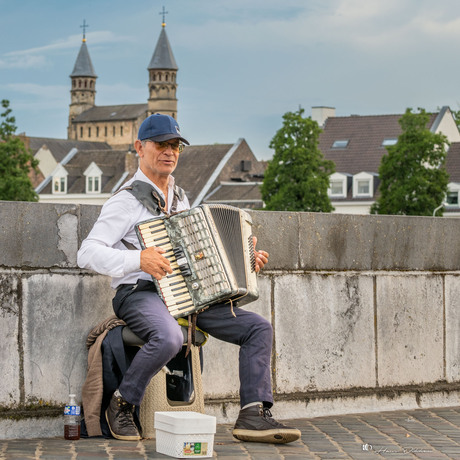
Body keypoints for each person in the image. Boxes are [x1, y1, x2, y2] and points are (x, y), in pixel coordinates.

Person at [77, 113, 301, 444]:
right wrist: (137, 258)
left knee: (258, 328)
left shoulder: (181, 199)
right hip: (139, 293)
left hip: (185, 294)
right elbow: (87, 253)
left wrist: (245, 259)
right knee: (170, 338)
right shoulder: (125, 200)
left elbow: (198, 255)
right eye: (162, 144)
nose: (170, 151)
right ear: (140, 147)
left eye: (176, 146)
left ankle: (253, 414)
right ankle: (121, 404)